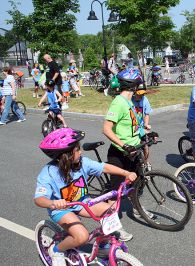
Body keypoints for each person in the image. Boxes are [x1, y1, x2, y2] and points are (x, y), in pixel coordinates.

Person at [34, 128, 137, 266]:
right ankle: (56, 250)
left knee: (110, 210)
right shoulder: (48, 173)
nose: (80, 152)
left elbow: (104, 167)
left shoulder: (82, 162)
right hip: (62, 209)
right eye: (77, 149)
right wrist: (53, 203)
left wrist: (126, 173)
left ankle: (103, 245)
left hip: (82, 202)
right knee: (82, 237)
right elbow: (39, 199)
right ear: (66, 155)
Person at [102, 68, 152, 219]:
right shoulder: (118, 102)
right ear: (134, 85)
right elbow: (106, 129)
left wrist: (146, 134)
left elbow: (133, 126)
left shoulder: (128, 101)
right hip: (120, 153)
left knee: (135, 183)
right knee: (115, 191)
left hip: (133, 151)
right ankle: (111, 224)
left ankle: (137, 209)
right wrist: (124, 146)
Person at [132, 86, 153, 171]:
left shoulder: (145, 100)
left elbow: (147, 114)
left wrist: (146, 125)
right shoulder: (130, 100)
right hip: (132, 127)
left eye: (143, 94)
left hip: (140, 127)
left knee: (145, 145)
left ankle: (147, 163)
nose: (141, 96)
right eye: (139, 94)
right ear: (135, 92)